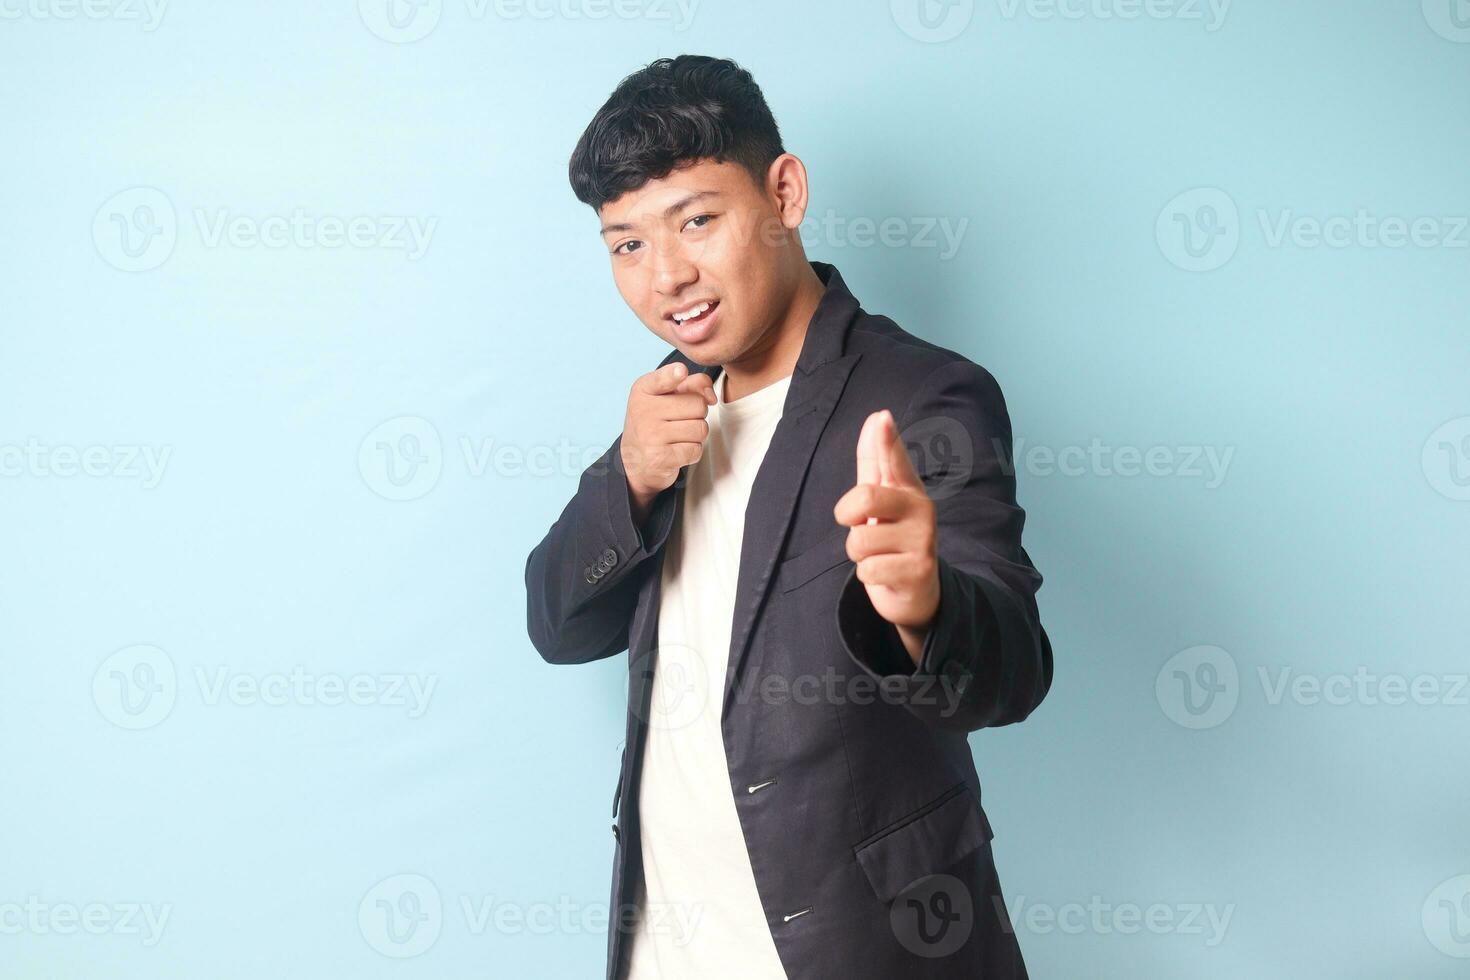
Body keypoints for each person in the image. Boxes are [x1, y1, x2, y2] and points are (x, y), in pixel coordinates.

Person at [525, 53, 1053, 980]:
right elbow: (558, 626)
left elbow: (1011, 674)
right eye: (627, 245)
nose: (668, 277)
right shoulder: (667, 413)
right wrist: (631, 481)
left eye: (697, 219)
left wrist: (924, 606)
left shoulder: (925, 395)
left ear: (784, 193)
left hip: (859, 952)